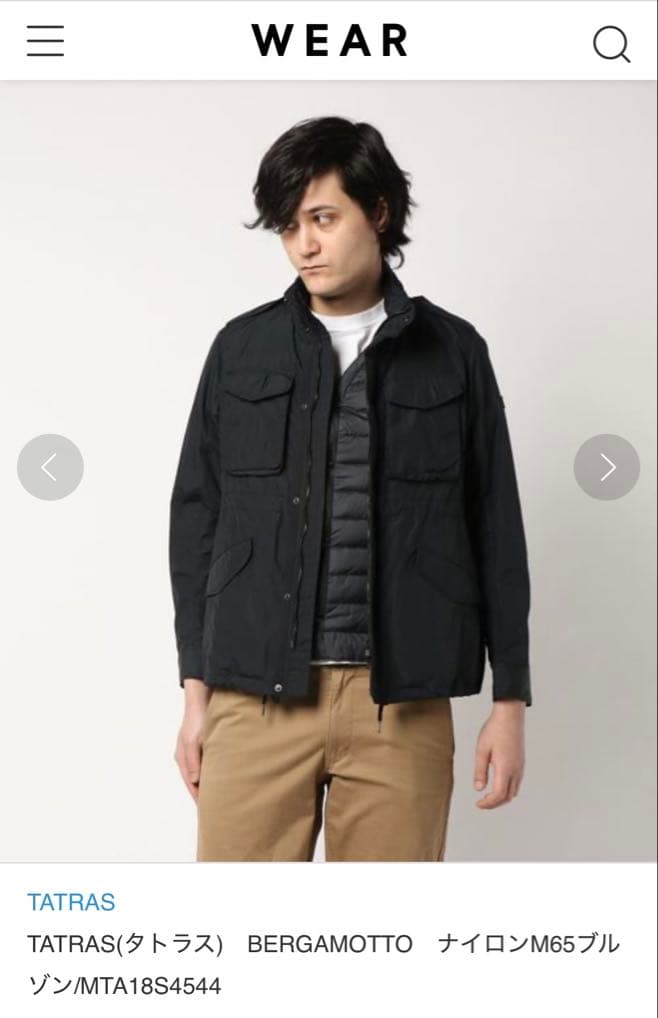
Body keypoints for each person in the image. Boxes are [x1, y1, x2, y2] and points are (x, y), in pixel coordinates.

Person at [169, 116, 531, 862]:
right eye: (288, 226)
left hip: (401, 707)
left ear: (379, 212)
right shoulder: (241, 349)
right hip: (254, 701)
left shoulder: (454, 352)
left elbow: (495, 525)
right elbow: (197, 522)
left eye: (323, 219)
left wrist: (510, 702)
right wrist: (195, 693)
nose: (304, 244)